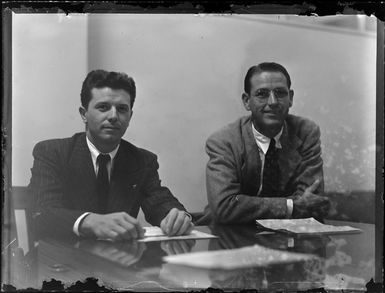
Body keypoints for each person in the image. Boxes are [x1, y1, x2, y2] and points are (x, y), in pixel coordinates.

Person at [29, 70, 193, 241]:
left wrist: (177, 217)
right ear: (84, 114)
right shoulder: (53, 152)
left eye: (122, 109)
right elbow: (41, 214)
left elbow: (160, 202)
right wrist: (90, 221)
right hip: (61, 261)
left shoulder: (142, 160)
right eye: (103, 107)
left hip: (118, 261)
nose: (114, 116)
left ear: (130, 116)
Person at [201, 62, 330, 224]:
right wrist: (290, 205)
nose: (273, 101)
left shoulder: (306, 132)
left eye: (280, 93)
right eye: (262, 94)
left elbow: (311, 201)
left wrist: (245, 204)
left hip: (287, 235)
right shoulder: (224, 141)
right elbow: (225, 206)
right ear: (247, 101)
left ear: (290, 98)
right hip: (229, 234)